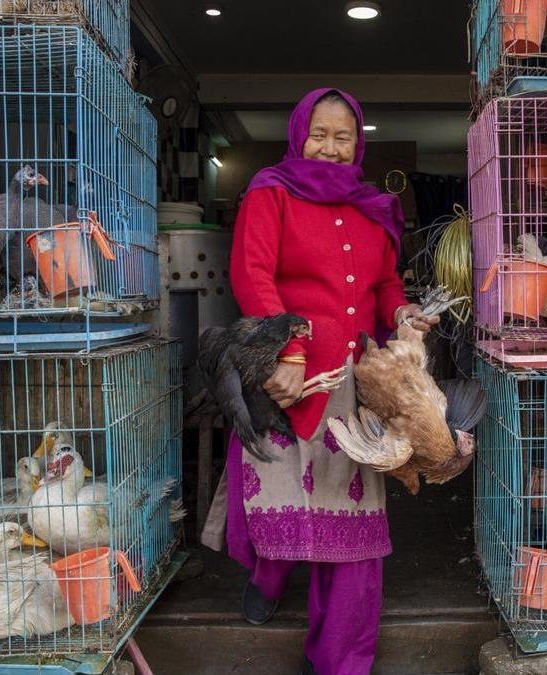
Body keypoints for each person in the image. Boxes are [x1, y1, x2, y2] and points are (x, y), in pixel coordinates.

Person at [210, 88, 437, 675]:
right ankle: (269, 573)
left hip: (357, 379)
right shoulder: (270, 192)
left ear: (358, 143)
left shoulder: (373, 207)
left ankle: (342, 661)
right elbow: (252, 274)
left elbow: (386, 286)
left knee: (352, 520)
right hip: (289, 373)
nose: (331, 148)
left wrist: (404, 314)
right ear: (298, 135)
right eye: (320, 135)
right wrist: (287, 349)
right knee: (283, 498)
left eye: (343, 137)